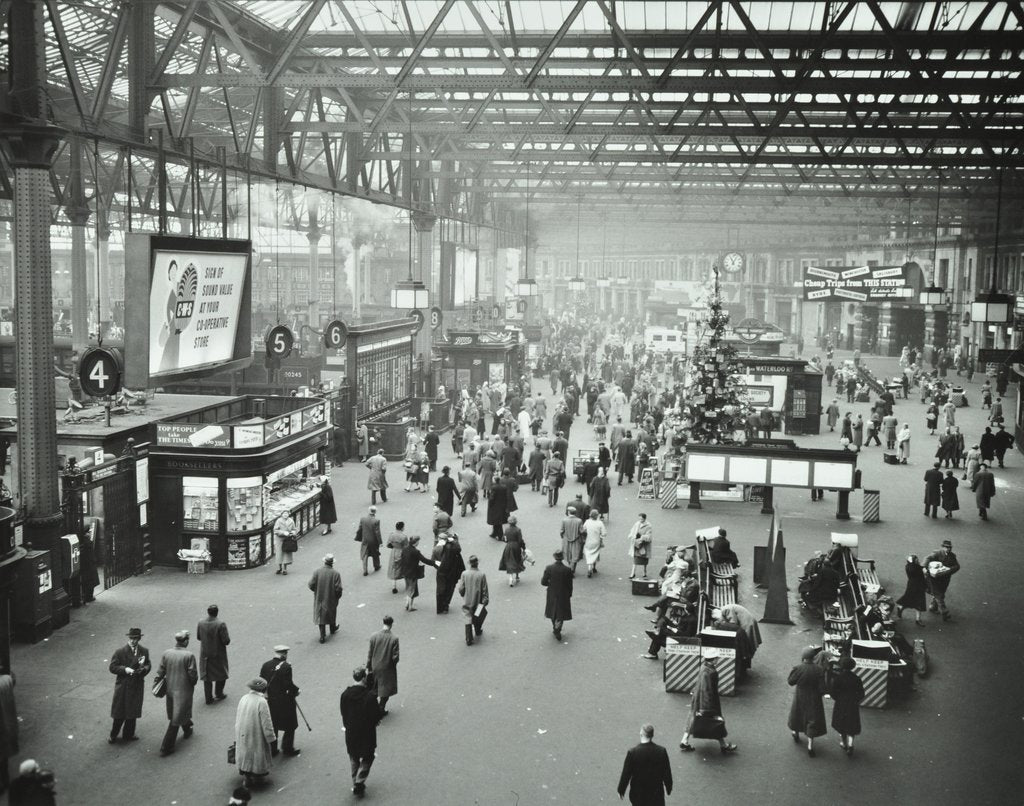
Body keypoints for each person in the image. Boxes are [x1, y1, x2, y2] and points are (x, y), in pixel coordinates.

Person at [678, 654, 737, 754]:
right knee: (716, 722)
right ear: (713, 660)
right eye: (716, 658)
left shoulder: (703, 667)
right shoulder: (710, 672)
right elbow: (707, 690)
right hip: (708, 702)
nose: (718, 660)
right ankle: (724, 745)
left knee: (693, 718)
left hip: (698, 699)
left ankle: (684, 740)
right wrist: (706, 709)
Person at [153, 630, 198, 757]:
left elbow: (160, 671)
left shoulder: (166, 653)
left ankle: (187, 727)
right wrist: (192, 683)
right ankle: (166, 746)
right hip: (183, 690)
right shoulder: (189, 655)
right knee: (176, 718)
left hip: (170, 689)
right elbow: (193, 675)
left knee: (177, 711)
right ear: (186, 641)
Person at [339, 667, 381, 797]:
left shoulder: (345, 694)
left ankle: (355, 781)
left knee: (354, 757)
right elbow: (376, 715)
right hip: (366, 733)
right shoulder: (369, 696)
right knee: (368, 756)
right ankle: (359, 780)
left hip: (351, 732)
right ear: (364, 678)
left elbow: (343, 712)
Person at [108, 626, 150, 744]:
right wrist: (125, 669)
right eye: (131, 638)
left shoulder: (144, 651)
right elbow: (112, 667)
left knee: (133, 711)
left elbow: (148, 664)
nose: (133, 640)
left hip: (136, 685)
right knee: (119, 712)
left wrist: (144, 669)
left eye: (135, 638)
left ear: (139, 639)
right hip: (123, 686)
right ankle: (113, 734)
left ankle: (129, 734)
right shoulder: (120, 652)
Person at [617, 723, 674, 805]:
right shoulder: (661, 751)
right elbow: (667, 772)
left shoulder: (633, 753)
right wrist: (669, 787)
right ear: (652, 735)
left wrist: (621, 790)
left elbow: (626, 774)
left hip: (638, 793)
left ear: (641, 734)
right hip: (656, 792)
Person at [234, 678, 276, 789]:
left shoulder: (244, 698)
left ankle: (247, 777)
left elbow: (238, 716)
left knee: (246, 752)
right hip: (256, 732)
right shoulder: (262, 702)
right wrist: (270, 736)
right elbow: (266, 722)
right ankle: (257, 777)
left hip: (243, 731)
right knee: (256, 753)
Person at [259, 646, 301, 757]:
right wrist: (296, 691)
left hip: (270, 701)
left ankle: (273, 749)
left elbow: (262, 682)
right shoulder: (286, 667)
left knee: (273, 724)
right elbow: (288, 684)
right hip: (284, 701)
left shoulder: (265, 665)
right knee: (290, 724)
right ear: (284, 654)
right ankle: (287, 748)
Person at [787, 646, 827, 757]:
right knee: (812, 720)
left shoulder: (798, 668)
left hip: (800, 697)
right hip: (814, 699)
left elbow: (791, 682)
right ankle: (810, 746)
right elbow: (823, 689)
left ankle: (795, 733)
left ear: (803, 657)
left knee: (797, 715)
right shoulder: (819, 669)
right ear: (813, 657)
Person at [829, 656, 865, 756]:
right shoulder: (856, 679)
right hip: (852, 705)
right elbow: (861, 693)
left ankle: (844, 744)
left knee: (842, 725)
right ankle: (851, 744)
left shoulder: (838, 678)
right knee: (851, 724)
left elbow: (832, 692)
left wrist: (838, 699)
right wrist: (855, 700)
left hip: (841, 704)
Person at [366, 616, 399, 717]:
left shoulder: (374, 636)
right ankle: (381, 708)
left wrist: (368, 666)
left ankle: (371, 708)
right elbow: (395, 657)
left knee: (374, 688)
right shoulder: (394, 638)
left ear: (382, 622)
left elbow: (370, 654)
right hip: (387, 668)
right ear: (391, 624)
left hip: (375, 666)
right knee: (385, 690)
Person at [197, 604, 230, 705]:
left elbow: (199, 637)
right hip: (218, 653)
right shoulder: (221, 624)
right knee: (221, 673)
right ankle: (219, 693)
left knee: (206, 676)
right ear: (217, 612)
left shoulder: (201, 622)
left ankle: (208, 698)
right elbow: (226, 641)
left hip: (205, 653)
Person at [309, 554, 343, 643]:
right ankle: (332, 628)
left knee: (321, 614)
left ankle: (322, 635)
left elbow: (310, 584)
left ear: (324, 561)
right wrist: (337, 596)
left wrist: (316, 590)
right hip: (331, 597)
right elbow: (338, 588)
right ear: (332, 563)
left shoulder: (317, 572)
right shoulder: (336, 573)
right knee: (331, 611)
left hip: (319, 596)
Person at [541, 549, 573, 641]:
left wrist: (550, 584)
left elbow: (543, 582)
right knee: (561, 612)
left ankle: (555, 626)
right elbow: (569, 584)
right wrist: (569, 594)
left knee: (552, 610)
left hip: (552, 592)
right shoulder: (567, 570)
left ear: (554, 557)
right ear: (562, 558)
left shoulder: (549, 568)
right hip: (563, 593)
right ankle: (557, 628)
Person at [457, 554, 490, 646]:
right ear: (477, 563)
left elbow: (461, 588)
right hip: (478, 600)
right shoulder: (481, 574)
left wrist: (463, 594)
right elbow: (484, 589)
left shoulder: (464, 574)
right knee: (478, 615)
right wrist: (485, 600)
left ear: (470, 564)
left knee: (467, 617)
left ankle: (468, 638)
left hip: (467, 600)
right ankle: (478, 630)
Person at [925, 540, 959, 621]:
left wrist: (949, 570)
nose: (948, 549)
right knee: (938, 594)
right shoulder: (937, 553)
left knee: (941, 593)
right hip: (934, 578)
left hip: (945, 578)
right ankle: (944, 611)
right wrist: (924, 567)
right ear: (942, 547)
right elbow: (927, 558)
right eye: (946, 547)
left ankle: (933, 607)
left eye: (949, 547)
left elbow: (957, 566)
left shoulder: (952, 556)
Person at [400, 535, 434, 612]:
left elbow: (402, 559)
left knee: (408, 587)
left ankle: (407, 604)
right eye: (418, 541)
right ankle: (409, 606)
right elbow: (425, 560)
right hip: (413, 573)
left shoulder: (405, 549)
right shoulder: (416, 552)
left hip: (405, 572)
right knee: (412, 589)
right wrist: (434, 563)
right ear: (415, 543)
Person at [434, 533, 465, 614]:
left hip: (441, 572)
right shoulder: (452, 548)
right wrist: (455, 541)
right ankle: (446, 605)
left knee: (441, 589)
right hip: (452, 572)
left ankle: (440, 606)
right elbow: (458, 549)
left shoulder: (437, 548)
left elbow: (434, 560)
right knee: (450, 588)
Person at [896, 556, 927, 626]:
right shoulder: (910, 567)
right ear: (912, 561)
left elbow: (919, 568)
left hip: (918, 587)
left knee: (918, 603)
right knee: (912, 602)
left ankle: (917, 619)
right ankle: (901, 608)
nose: (918, 560)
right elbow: (913, 570)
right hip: (913, 587)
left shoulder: (915, 567)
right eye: (916, 560)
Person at [500, 514, 527, 586]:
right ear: (516, 522)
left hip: (508, 546)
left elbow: (503, 539)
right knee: (517, 560)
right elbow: (520, 540)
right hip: (516, 547)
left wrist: (507, 541)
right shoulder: (518, 530)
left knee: (510, 561)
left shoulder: (506, 529)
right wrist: (523, 547)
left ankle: (511, 578)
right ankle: (517, 576)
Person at [358, 506, 383, 575]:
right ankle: (376, 566)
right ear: (375, 512)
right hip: (373, 540)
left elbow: (360, 529)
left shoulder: (363, 519)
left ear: (369, 511)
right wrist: (380, 542)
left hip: (365, 539)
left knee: (365, 554)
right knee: (375, 553)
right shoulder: (376, 521)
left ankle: (365, 570)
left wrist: (359, 537)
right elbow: (377, 532)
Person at [582, 509, 606, 578]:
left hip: (588, 540)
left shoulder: (587, 522)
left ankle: (589, 568)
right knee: (596, 553)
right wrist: (601, 538)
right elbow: (604, 533)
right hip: (596, 541)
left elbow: (583, 530)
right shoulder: (600, 523)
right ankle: (594, 567)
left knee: (589, 554)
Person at [628, 513, 653, 580]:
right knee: (635, 560)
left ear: (644, 519)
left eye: (641, 519)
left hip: (643, 545)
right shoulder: (637, 524)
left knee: (644, 560)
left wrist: (642, 537)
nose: (640, 520)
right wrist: (632, 536)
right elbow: (632, 531)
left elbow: (649, 536)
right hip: (637, 544)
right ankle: (632, 573)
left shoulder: (648, 526)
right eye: (639, 518)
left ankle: (644, 572)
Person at [272, 511, 296, 575]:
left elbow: (294, 529)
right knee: (280, 554)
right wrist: (283, 532)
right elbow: (275, 530)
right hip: (280, 540)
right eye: (284, 514)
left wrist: (292, 533)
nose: (285, 515)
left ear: (288, 514)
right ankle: (280, 568)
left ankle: (285, 569)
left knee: (286, 554)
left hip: (288, 539)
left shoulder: (291, 521)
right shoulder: (278, 521)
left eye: (287, 513)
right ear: (281, 514)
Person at [560, 509, 584, 575]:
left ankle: (570, 567)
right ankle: (572, 569)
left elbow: (562, 531)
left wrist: (562, 536)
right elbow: (581, 531)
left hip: (566, 540)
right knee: (575, 555)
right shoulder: (579, 521)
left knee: (567, 554)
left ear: (569, 512)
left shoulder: (564, 520)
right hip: (576, 540)